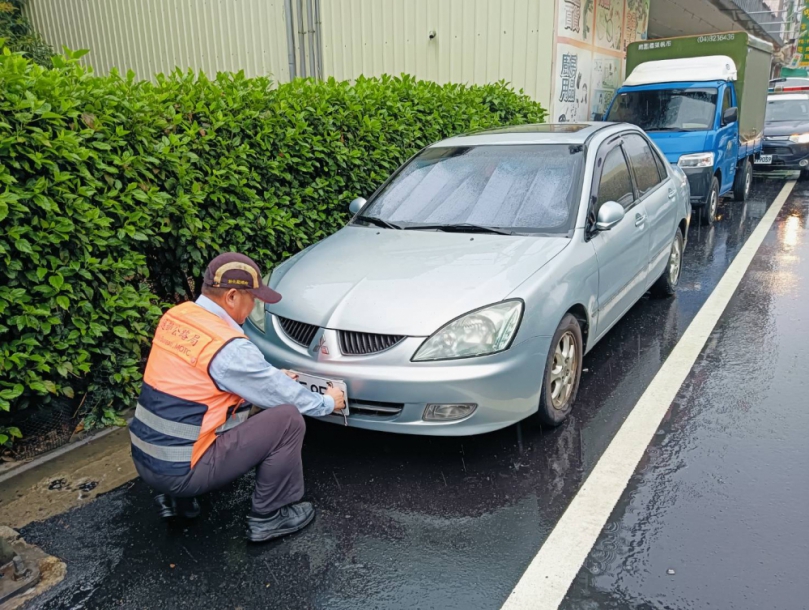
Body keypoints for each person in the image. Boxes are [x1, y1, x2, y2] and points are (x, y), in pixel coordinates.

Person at [129, 252, 346, 542]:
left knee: (231, 402)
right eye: (252, 298)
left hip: (146, 459)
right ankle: (270, 516)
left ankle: (175, 501)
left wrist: (271, 378)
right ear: (232, 296)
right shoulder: (228, 346)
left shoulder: (177, 318)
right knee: (288, 420)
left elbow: (202, 382)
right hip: (183, 471)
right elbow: (276, 392)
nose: (254, 304)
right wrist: (328, 403)